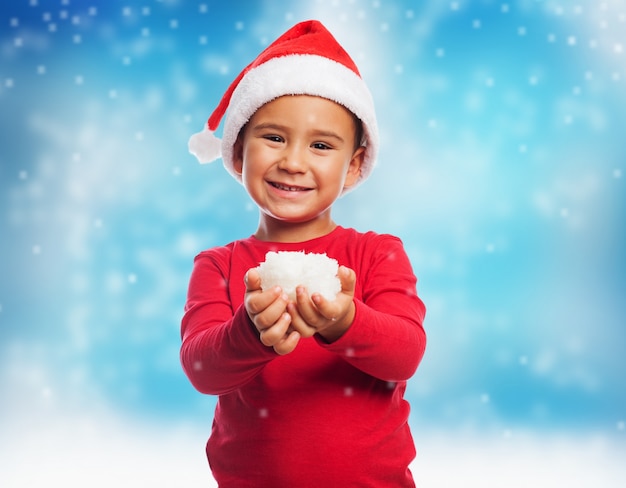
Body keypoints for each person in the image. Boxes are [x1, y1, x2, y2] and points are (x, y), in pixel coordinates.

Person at [181, 20, 426, 487]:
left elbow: (406, 353)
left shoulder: (378, 253)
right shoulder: (218, 266)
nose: (293, 161)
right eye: (273, 137)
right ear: (237, 151)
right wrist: (249, 332)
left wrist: (346, 323)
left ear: (353, 166)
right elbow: (201, 369)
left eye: (320, 145)